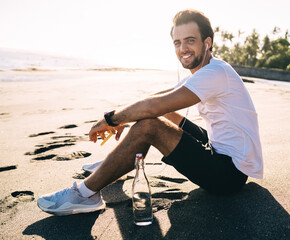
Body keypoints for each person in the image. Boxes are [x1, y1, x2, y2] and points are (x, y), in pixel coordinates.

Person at [37, 9, 263, 216]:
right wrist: (124, 117)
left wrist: (110, 119)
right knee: (162, 113)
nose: (183, 48)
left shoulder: (215, 73)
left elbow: (153, 107)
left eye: (190, 41)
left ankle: (84, 194)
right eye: (177, 42)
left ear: (207, 42)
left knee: (149, 126)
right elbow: (157, 99)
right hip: (220, 150)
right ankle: (117, 164)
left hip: (228, 175)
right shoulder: (208, 70)